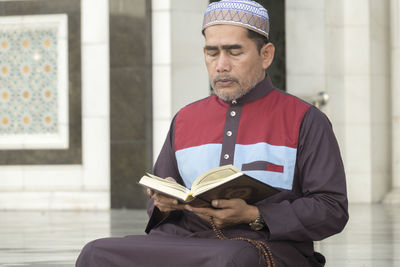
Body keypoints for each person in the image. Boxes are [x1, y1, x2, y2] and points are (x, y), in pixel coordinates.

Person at [76, 0, 348, 266]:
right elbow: (157, 205)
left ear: (266, 55)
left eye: (234, 52)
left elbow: (331, 209)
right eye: (212, 52)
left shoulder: (305, 120)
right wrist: (164, 202)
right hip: (182, 240)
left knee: (229, 259)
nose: (221, 65)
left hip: (261, 244)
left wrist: (255, 214)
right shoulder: (185, 118)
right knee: (95, 253)